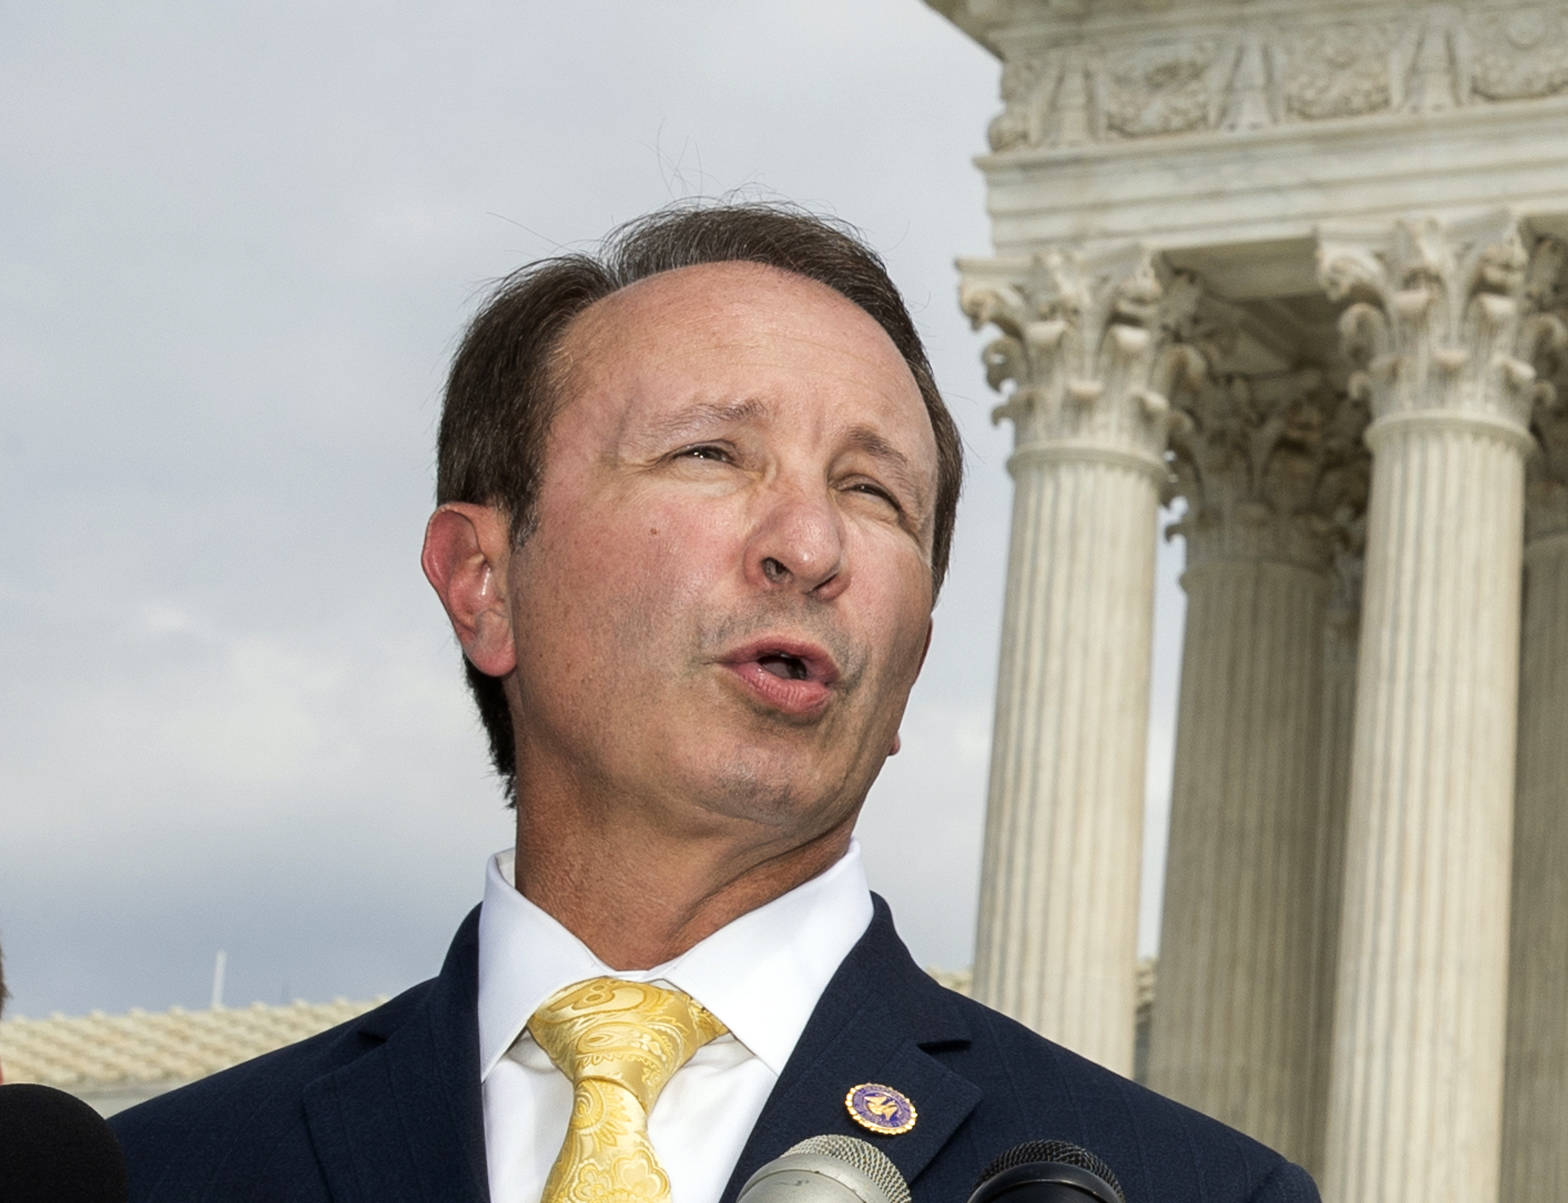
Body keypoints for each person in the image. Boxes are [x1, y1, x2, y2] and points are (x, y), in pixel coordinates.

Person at [110, 203, 1319, 1202]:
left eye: (872, 493)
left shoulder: (1193, 1190)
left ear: (910, 663)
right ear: (483, 584)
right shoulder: (157, 1174)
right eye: (709, 454)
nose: (808, 544)